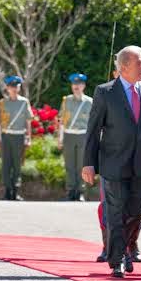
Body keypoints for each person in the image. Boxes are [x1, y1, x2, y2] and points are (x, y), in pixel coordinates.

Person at [82, 46, 141, 279]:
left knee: (136, 213)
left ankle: (128, 247)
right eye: (140, 62)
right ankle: (117, 259)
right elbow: (93, 131)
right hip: (113, 163)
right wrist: (88, 163)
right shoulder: (105, 92)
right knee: (116, 212)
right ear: (124, 66)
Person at [0, 75, 33, 200]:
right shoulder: (2, 103)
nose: (14, 89)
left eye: (16, 86)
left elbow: (28, 122)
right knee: (6, 164)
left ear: (19, 87)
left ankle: (15, 191)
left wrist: (28, 138)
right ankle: (7, 190)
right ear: (7, 88)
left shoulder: (24, 102)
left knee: (17, 164)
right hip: (6, 136)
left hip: (19, 136)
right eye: (12, 87)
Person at [58, 72, 92, 201]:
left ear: (83, 86)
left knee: (81, 165)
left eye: (79, 84)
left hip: (83, 136)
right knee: (69, 165)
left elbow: (93, 123)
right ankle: (70, 191)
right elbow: (61, 120)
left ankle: (81, 192)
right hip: (69, 135)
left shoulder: (89, 102)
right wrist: (60, 138)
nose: (76, 86)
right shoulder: (66, 101)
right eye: (74, 84)